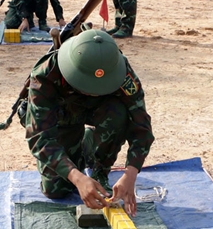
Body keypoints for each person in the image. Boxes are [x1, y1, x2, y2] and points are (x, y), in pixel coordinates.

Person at [25, 29, 154, 215]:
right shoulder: (45, 75)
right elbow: (39, 137)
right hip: (63, 121)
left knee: (118, 112)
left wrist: (131, 173)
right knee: (56, 190)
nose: (93, 91)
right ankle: (80, 147)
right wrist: (76, 177)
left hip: (100, 112)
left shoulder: (120, 71)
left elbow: (141, 125)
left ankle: (100, 168)